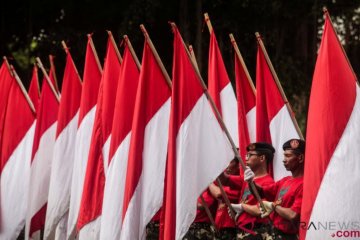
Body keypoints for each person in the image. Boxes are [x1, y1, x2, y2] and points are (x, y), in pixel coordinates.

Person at [246, 139, 305, 240]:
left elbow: (293, 215)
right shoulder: (285, 180)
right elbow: (260, 192)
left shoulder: (304, 184)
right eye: (284, 155)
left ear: (300, 158)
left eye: (288, 156)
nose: (284, 159)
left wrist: (273, 206)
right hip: (273, 232)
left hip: (287, 236)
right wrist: (250, 182)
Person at [230, 142, 275, 240]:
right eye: (246, 155)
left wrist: (242, 207)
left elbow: (261, 210)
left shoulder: (269, 183)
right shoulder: (246, 179)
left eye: (250, 155)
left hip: (256, 231)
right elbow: (224, 179)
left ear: (262, 158)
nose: (246, 158)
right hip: (242, 229)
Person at [208, 158, 241, 240]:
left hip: (231, 227)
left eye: (230, 162)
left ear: (238, 165)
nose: (226, 166)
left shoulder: (239, 183)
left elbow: (218, 194)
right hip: (218, 226)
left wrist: (208, 182)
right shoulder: (219, 183)